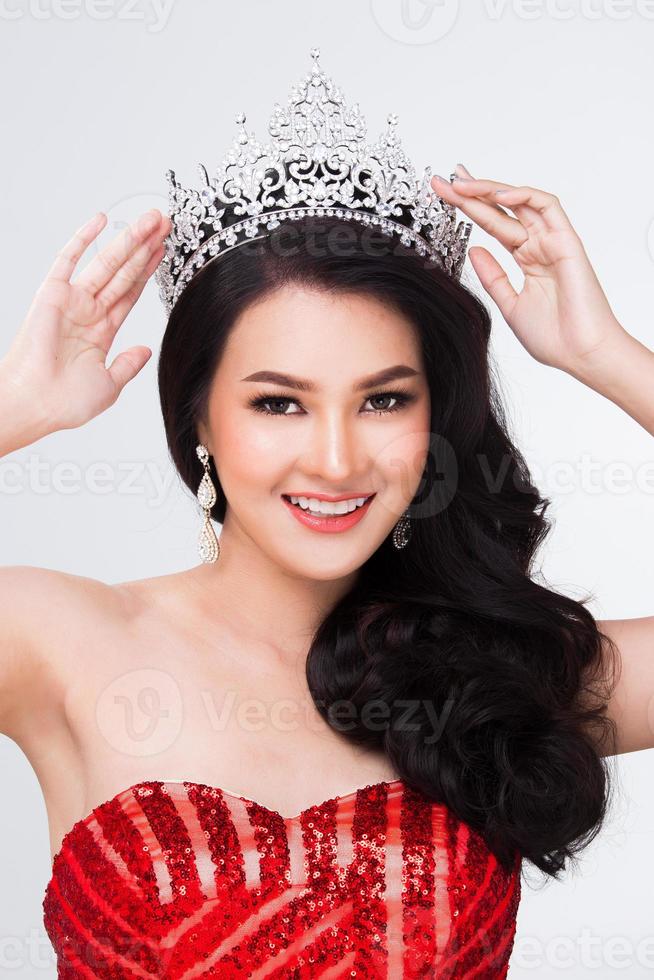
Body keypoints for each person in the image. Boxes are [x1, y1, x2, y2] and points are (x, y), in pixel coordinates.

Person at [2, 51, 654, 980]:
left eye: (384, 400)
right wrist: (14, 409)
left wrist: (609, 354)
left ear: (438, 417)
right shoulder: (56, 639)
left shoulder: (499, 673)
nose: (339, 459)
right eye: (279, 404)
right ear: (200, 417)